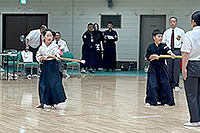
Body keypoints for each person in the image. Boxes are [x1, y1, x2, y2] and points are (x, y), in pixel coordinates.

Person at [35, 29, 67, 109]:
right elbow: (38, 55)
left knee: (53, 84)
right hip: (45, 66)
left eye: (51, 36)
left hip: (53, 65)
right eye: (47, 35)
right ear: (44, 37)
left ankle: (52, 103)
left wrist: (57, 55)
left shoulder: (55, 46)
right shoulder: (42, 47)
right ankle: (42, 102)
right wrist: (41, 58)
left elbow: (57, 52)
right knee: (43, 84)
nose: (49, 37)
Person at [145, 29, 175, 106]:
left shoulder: (163, 46)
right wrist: (153, 56)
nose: (160, 38)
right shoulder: (151, 47)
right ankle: (151, 100)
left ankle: (166, 101)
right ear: (154, 37)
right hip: (153, 68)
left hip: (162, 67)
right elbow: (147, 56)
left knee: (165, 84)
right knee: (152, 84)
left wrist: (171, 54)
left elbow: (168, 50)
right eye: (159, 37)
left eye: (161, 37)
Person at [181, 11, 200, 127]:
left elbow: (186, 53)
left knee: (192, 94)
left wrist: (184, 68)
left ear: (193, 22)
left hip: (192, 65)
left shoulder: (189, 34)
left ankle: (195, 120)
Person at [162, 17, 185, 91]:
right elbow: (163, 42)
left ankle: (176, 84)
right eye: (171, 22)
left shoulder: (181, 31)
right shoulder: (166, 32)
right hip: (169, 51)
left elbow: (183, 42)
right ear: (169, 23)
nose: (172, 23)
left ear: (176, 22)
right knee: (169, 68)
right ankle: (170, 84)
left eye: (174, 22)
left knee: (176, 68)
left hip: (177, 50)